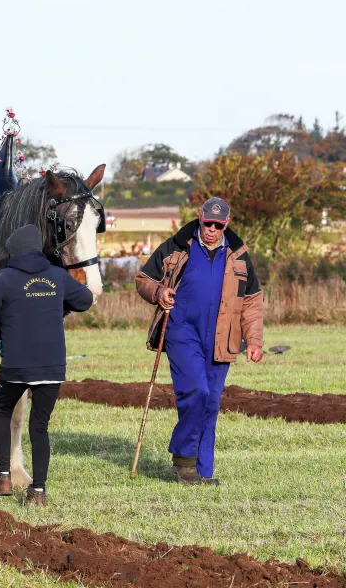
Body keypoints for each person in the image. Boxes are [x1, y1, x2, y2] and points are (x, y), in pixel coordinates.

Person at [135, 197, 264, 486]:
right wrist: (158, 293)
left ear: (226, 224)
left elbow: (252, 300)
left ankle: (203, 470)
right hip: (182, 331)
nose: (212, 229)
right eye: (208, 223)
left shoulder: (239, 254)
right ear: (200, 218)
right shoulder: (177, 245)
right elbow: (143, 278)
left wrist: (254, 340)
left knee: (211, 402)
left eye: (219, 225)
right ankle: (184, 460)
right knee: (195, 391)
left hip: (223, 336)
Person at [0, 224, 94, 504]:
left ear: (14, 252)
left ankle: (2, 477)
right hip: (52, 366)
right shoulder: (57, 276)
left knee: (1, 412)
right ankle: (37, 492)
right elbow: (86, 300)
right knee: (39, 427)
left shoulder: (4, 278)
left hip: (17, 363)